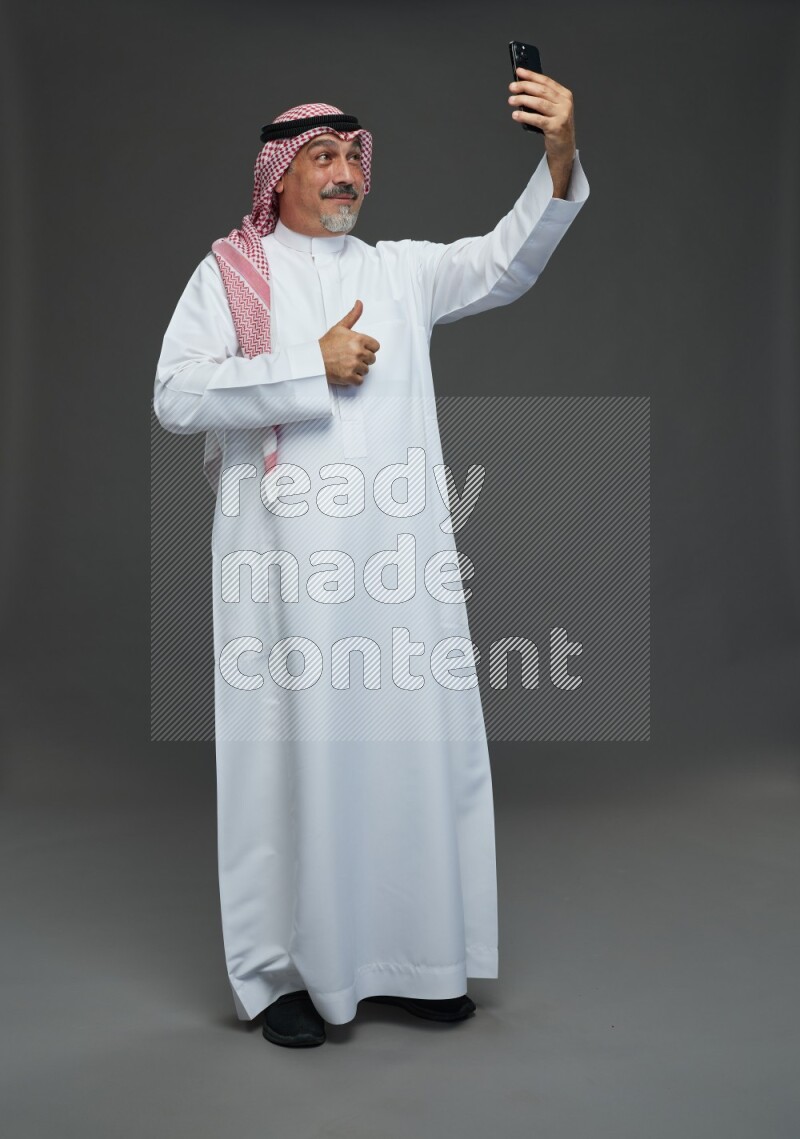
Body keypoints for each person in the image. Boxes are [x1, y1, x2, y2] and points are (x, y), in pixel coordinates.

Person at [153, 68, 590, 1048]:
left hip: (394, 571)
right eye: (322, 155)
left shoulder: (399, 271)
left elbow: (504, 261)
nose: (344, 170)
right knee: (291, 766)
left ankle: (418, 957)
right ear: (277, 176)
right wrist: (310, 364)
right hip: (281, 582)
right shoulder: (230, 274)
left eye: (353, 154)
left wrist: (557, 153)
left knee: (406, 751)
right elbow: (177, 396)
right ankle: (280, 979)